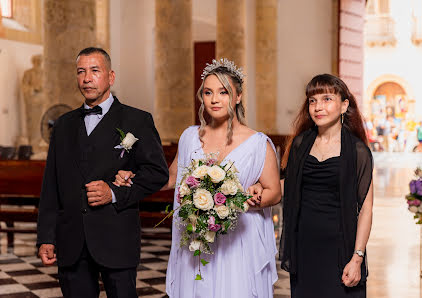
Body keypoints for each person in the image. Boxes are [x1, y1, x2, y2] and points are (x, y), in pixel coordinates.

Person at [114, 58, 282, 297]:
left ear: (238, 96)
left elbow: (273, 191)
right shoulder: (190, 137)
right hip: (197, 238)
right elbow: (172, 178)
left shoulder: (258, 144)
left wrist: (240, 203)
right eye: (208, 92)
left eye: (223, 92)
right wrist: (135, 178)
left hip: (238, 243)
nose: (214, 99)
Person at [36, 47, 169, 297]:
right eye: (81, 72)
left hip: (116, 239)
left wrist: (115, 192)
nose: (87, 78)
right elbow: (50, 186)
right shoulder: (62, 126)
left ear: (111, 76)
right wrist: (46, 237)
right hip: (71, 242)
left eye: (95, 71)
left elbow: (157, 173)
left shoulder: (137, 120)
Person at [279, 74, 374, 297]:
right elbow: (287, 186)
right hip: (304, 248)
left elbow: (366, 209)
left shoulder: (358, 151)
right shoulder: (300, 144)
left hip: (341, 250)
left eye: (327, 99)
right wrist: (256, 191)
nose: (318, 107)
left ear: (344, 105)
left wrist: (357, 257)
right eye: (313, 100)